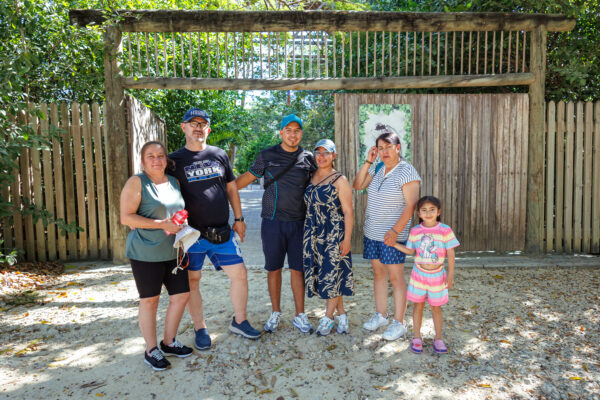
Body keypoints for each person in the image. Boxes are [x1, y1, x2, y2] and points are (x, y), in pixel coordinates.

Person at [168, 108, 261, 347]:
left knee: (239, 274)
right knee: (193, 281)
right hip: (192, 235)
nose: (198, 127)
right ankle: (200, 328)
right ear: (184, 127)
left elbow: (231, 188)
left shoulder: (219, 154)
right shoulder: (174, 161)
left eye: (203, 123)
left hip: (222, 231)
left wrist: (239, 219)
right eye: (193, 123)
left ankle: (239, 321)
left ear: (208, 129)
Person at [236, 114, 317, 334]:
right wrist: (219, 193)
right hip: (272, 222)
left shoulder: (309, 158)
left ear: (302, 133)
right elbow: (246, 179)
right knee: (274, 269)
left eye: (297, 130)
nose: (293, 134)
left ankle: (300, 316)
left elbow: (321, 183)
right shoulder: (267, 155)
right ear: (281, 132)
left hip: (299, 223)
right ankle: (275, 312)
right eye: (288, 130)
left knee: (298, 270)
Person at [120, 141, 193, 371]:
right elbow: (127, 218)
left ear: (166, 159)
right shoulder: (136, 183)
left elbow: (175, 211)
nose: (156, 160)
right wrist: (160, 224)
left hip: (174, 250)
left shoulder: (173, 181)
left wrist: (181, 223)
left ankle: (169, 342)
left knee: (181, 296)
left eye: (160, 155)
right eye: (150, 156)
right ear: (143, 160)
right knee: (150, 301)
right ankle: (151, 349)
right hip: (145, 252)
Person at [352, 129, 421, 341]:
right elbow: (358, 185)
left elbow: (411, 205)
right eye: (380, 148)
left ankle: (399, 323)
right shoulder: (379, 168)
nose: (384, 152)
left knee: (396, 278)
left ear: (398, 148)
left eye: (388, 147)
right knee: (378, 274)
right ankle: (381, 315)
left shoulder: (407, 171)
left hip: (392, 236)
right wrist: (368, 161)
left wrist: (395, 232)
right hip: (372, 233)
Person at [393, 196, 459, 354]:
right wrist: (394, 244)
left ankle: (438, 338)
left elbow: (450, 254)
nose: (428, 213)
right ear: (418, 213)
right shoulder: (416, 231)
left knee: (436, 308)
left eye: (432, 210)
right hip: (418, 276)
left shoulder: (445, 230)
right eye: (424, 210)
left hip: (437, 276)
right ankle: (416, 337)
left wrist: (450, 276)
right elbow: (410, 251)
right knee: (418, 305)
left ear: (438, 212)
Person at [303, 139, 354, 336]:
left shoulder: (340, 180)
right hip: (313, 232)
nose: (321, 157)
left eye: (326, 153)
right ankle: (342, 314)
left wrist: (347, 239)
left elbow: (348, 212)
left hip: (334, 232)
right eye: (318, 152)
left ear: (334, 156)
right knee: (329, 274)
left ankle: (328, 317)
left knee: (331, 274)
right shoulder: (311, 176)